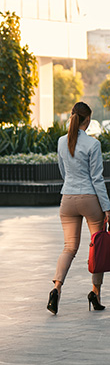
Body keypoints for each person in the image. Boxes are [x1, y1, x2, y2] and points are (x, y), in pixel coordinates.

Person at [48, 101, 110, 315]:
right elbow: (97, 179)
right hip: (89, 198)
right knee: (97, 246)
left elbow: (63, 172)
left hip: (68, 198)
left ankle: (56, 288)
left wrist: (71, 186)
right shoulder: (93, 144)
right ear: (87, 120)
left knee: (69, 247)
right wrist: (107, 207)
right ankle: (95, 293)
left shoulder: (61, 141)